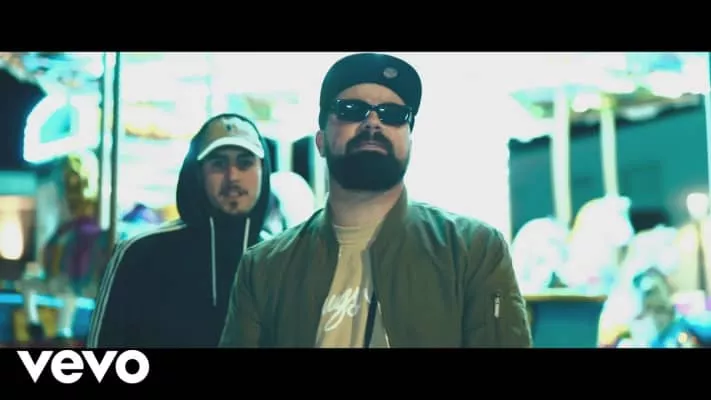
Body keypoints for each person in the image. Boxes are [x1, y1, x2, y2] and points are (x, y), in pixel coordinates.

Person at [219, 53, 532, 348]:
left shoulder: (473, 251)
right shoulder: (264, 268)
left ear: (410, 141)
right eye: (351, 110)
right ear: (321, 141)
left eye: (393, 114)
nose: (372, 122)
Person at [87, 113, 272, 347]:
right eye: (218, 164)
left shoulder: (278, 259)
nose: (232, 176)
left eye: (245, 163)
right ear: (198, 173)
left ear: (263, 170)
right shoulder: (141, 254)